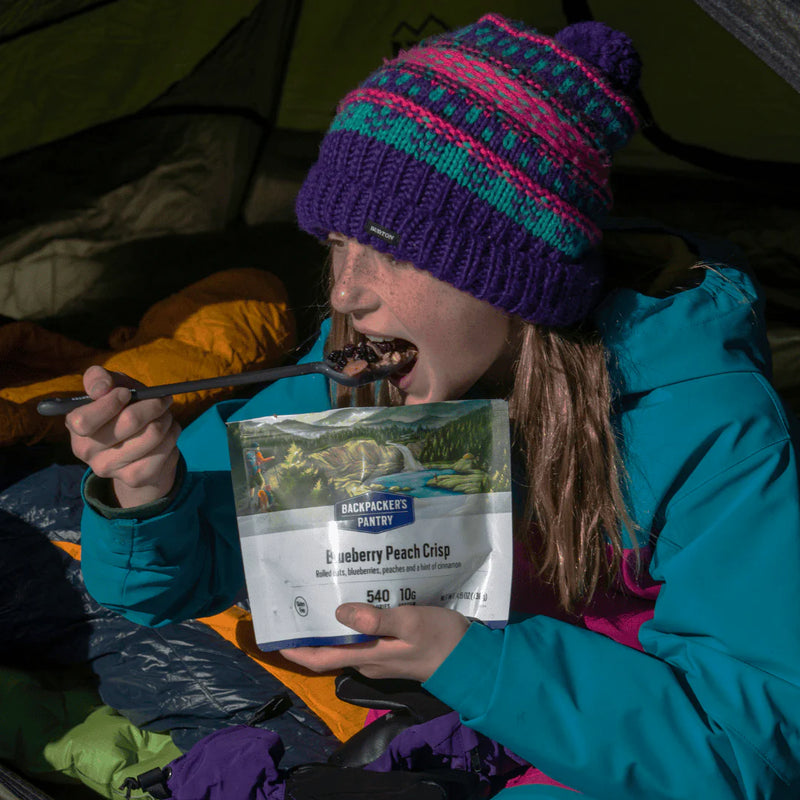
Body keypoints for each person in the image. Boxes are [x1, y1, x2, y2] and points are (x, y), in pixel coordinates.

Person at [65, 13, 800, 799]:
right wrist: (146, 498)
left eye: (394, 250)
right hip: (443, 731)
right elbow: (167, 587)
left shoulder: (705, 427)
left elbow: (755, 748)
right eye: (339, 245)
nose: (347, 290)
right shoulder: (353, 375)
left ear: (512, 275)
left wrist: (465, 657)